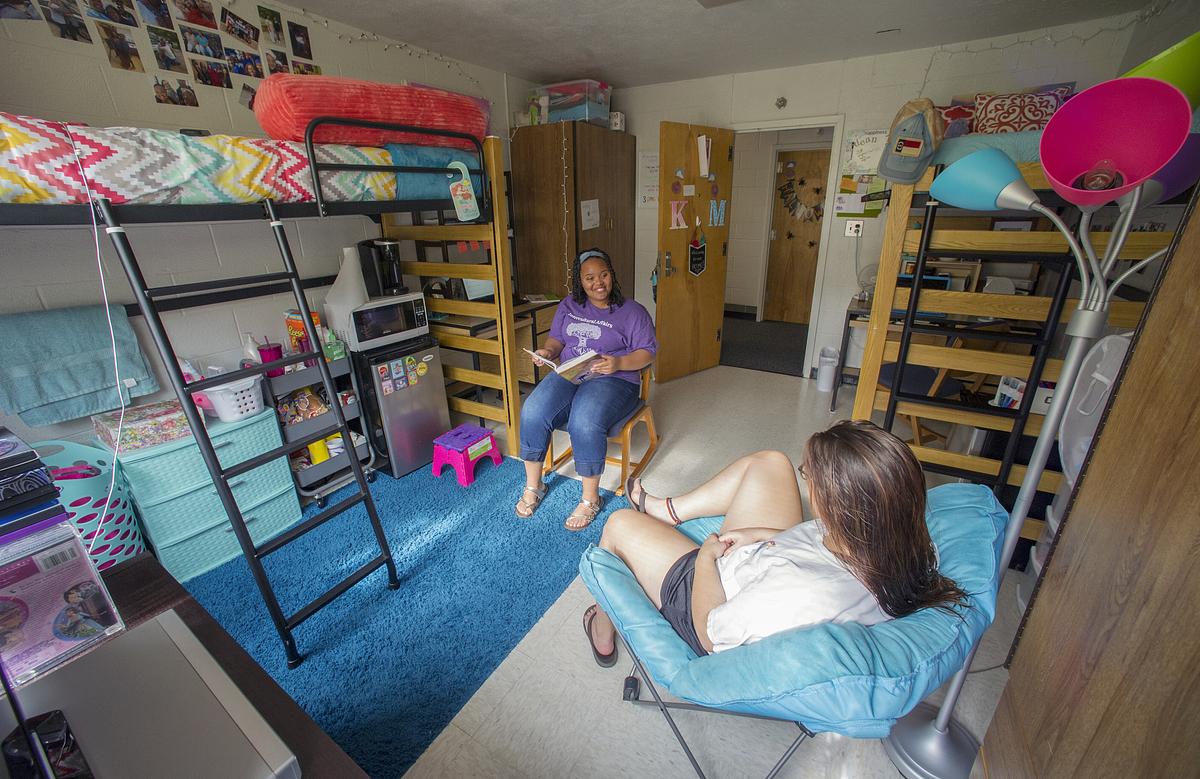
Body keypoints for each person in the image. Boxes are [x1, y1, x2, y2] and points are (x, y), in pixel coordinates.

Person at [582, 420, 967, 664]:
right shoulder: (897, 543)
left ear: (842, 507)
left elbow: (711, 633)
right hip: (765, 554)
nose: (807, 484)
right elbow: (821, 544)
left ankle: (603, 625)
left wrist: (705, 559)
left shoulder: (801, 593)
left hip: (710, 592)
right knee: (770, 463)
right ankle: (669, 510)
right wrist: (763, 535)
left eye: (810, 478)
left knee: (617, 525)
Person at [516, 248, 655, 531]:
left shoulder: (633, 312)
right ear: (580, 281)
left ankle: (590, 499)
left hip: (614, 378)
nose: (598, 282)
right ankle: (534, 485)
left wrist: (618, 363)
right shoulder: (569, 305)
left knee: (584, 420)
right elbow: (557, 340)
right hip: (571, 373)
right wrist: (548, 351)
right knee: (533, 410)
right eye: (589, 277)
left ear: (612, 275)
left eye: (603, 274)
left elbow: (648, 353)